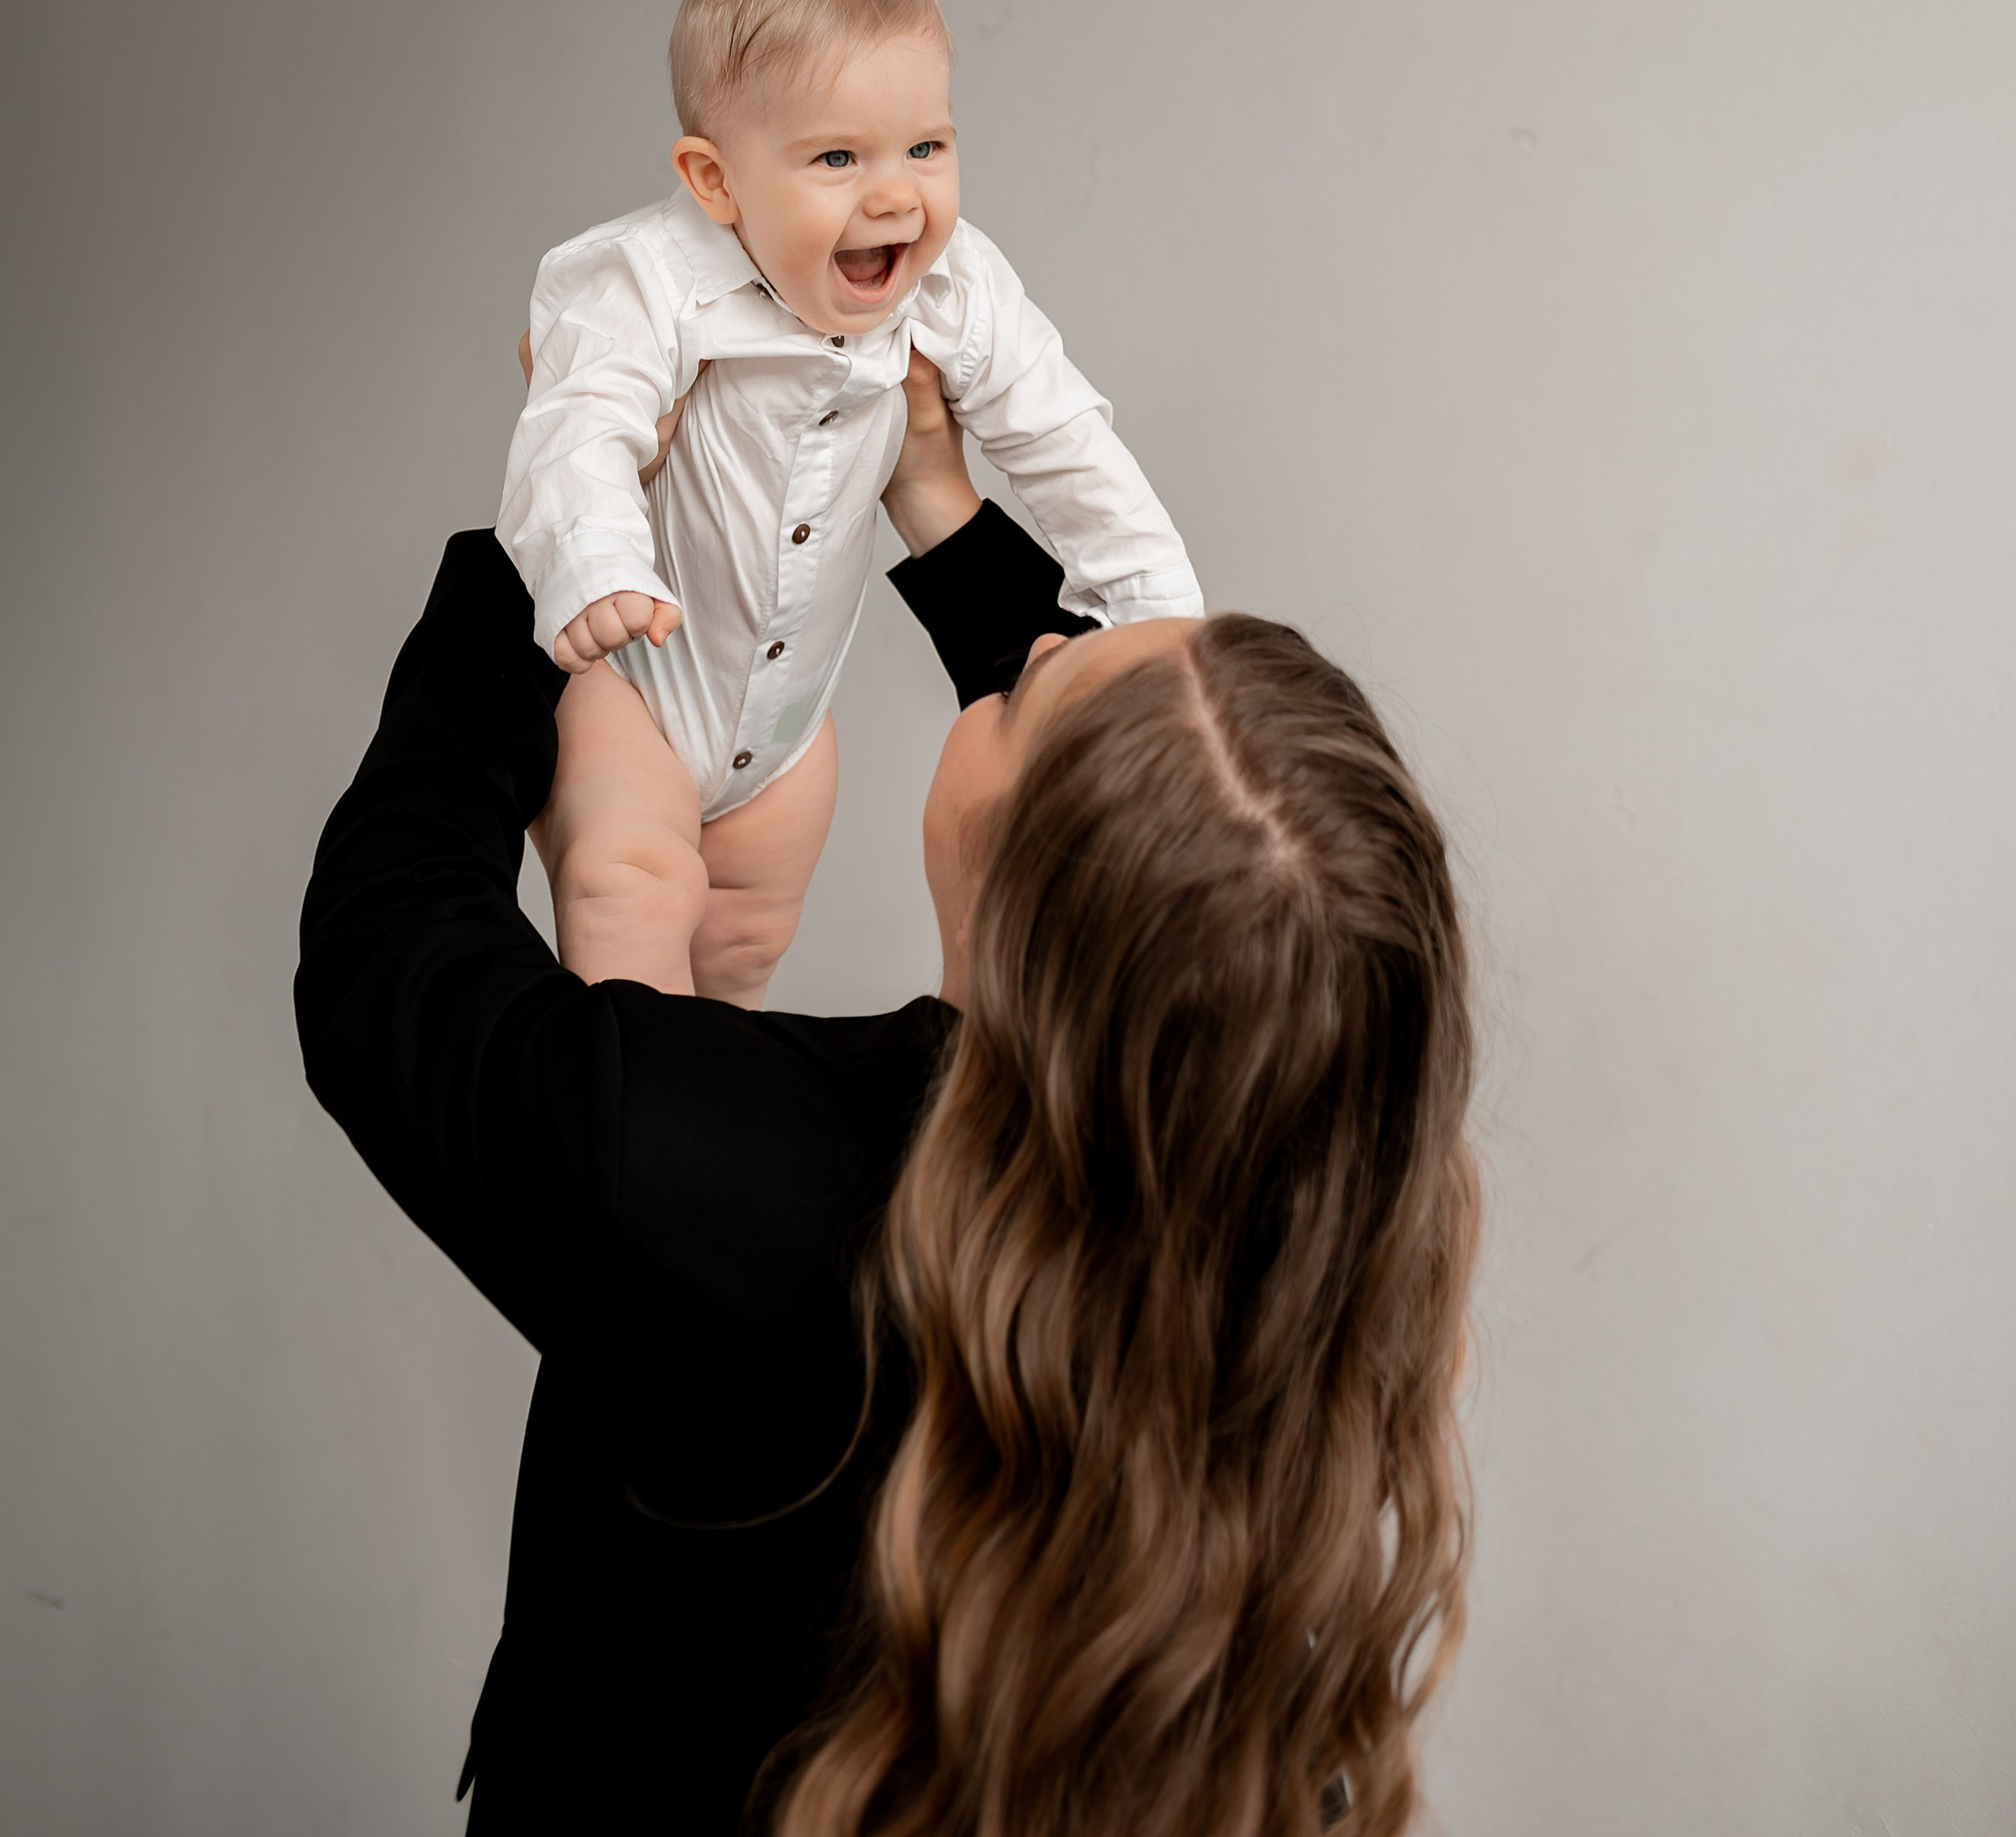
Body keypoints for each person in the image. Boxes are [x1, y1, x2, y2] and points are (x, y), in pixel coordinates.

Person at [298, 358, 1478, 1835]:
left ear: (1008, 859)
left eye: (1037, 674)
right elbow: (1160, 830)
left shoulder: (712, 1170)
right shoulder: (1290, 1237)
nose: (1035, 649)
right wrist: (935, 494)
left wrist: (561, 531)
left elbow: (384, 951)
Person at [496, 0, 1201, 1009]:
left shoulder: (955, 287)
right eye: (838, 158)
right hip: (637, 683)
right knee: (629, 899)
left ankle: (710, 1122)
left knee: (740, 945)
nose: (895, 197)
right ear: (714, 181)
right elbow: (581, 417)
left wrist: (1160, 622)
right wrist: (594, 562)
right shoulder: (650, 284)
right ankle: (628, 1118)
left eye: (926, 148)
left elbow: (1067, 442)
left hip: (783, 725)